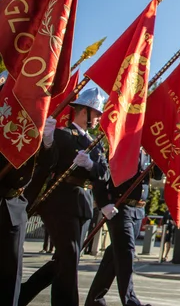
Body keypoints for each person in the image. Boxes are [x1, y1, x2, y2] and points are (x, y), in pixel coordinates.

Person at [19, 88, 110, 306]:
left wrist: (90, 165)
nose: (99, 118)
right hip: (60, 202)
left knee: (64, 260)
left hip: (82, 204)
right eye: (96, 113)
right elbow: (46, 164)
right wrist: (48, 143)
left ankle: (20, 295)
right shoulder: (62, 134)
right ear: (84, 112)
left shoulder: (95, 143)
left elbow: (104, 173)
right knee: (69, 259)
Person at [85, 148, 163, 306]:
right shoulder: (123, 143)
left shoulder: (148, 150)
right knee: (127, 254)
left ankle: (94, 300)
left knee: (114, 257)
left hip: (138, 210)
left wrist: (160, 154)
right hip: (120, 207)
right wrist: (103, 203)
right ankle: (131, 302)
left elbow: (157, 175)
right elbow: (102, 173)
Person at [0, 71, 43, 306]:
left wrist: (48, 143)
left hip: (14, 202)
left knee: (11, 270)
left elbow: (41, 167)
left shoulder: (33, 113)